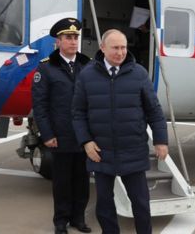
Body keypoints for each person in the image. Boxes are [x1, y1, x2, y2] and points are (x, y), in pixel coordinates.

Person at [72, 29, 168, 234]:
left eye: (123, 47)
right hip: (101, 152)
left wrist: (161, 140)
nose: (120, 52)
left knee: (141, 203)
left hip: (132, 150)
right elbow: (78, 113)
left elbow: (155, 110)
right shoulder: (87, 75)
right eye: (115, 47)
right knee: (105, 205)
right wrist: (86, 142)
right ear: (103, 48)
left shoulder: (139, 74)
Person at [32, 18, 92, 234]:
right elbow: (40, 105)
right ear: (58, 41)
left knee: (82, 181)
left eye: (76, 37)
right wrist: (47, 134)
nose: (73, 41)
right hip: (60, 135)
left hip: (85, 136)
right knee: (62, 182)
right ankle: (61, 221)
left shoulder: (88, 66)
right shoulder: (46, 68)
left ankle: (78, 218)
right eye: (68, 37)